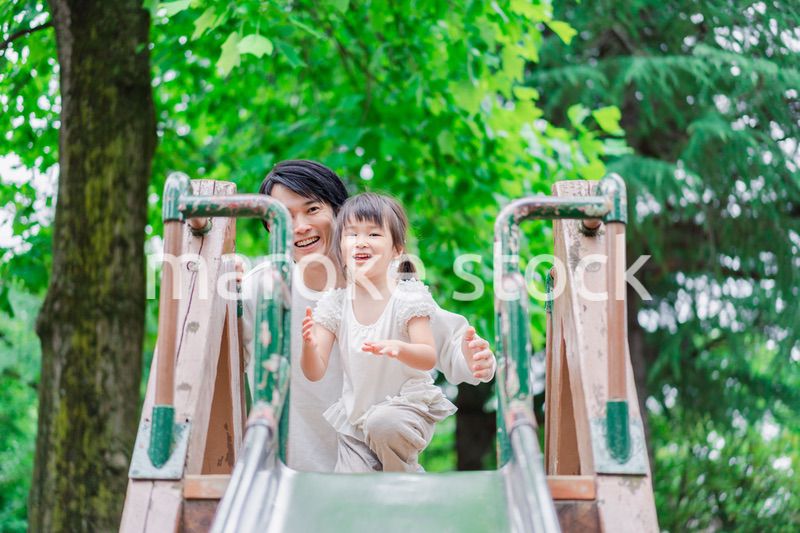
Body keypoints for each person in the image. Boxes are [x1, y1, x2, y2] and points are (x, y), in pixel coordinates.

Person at [241, 159, 495, 472]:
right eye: (284, 216)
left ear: (339, 213)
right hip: (292, 472)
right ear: (269, 226)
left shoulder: (383, 286)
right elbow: (218, 359)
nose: (300, 226)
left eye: (312, 209)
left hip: (374, 465)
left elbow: (446, 343)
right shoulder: (258, 289)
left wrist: (473, 358)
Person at [301, 193, 457, 472]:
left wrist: (400, 349)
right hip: (356, 421)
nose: (361, 242)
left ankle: (404, 484)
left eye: (373, 234)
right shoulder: (335, 304)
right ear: (340, 247)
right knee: (350, 496)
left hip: (406, 409)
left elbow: (427, 357)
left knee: (383, 423)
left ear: (397, 248)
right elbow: (315, 371)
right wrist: (309, 346)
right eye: (351, 235)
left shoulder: (407, 296)